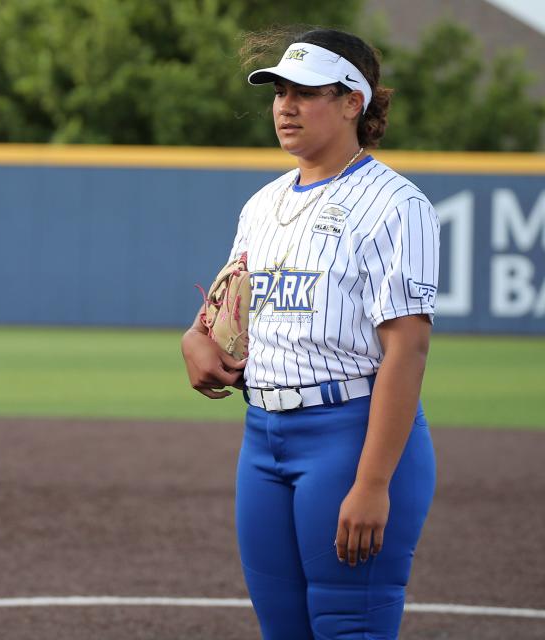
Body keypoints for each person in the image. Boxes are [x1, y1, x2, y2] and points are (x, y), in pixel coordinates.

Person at [181, 28, 438, 639]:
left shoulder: (396, 204)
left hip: (348, 439)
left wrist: (373, 483)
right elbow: (227, 306)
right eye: (279, 92)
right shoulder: (263, 204)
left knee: (350, 627)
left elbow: (408, 348)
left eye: (306, 92)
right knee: (283, 630)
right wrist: (194, 340)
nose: (286, 106)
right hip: (261, 440)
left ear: (354, 102)